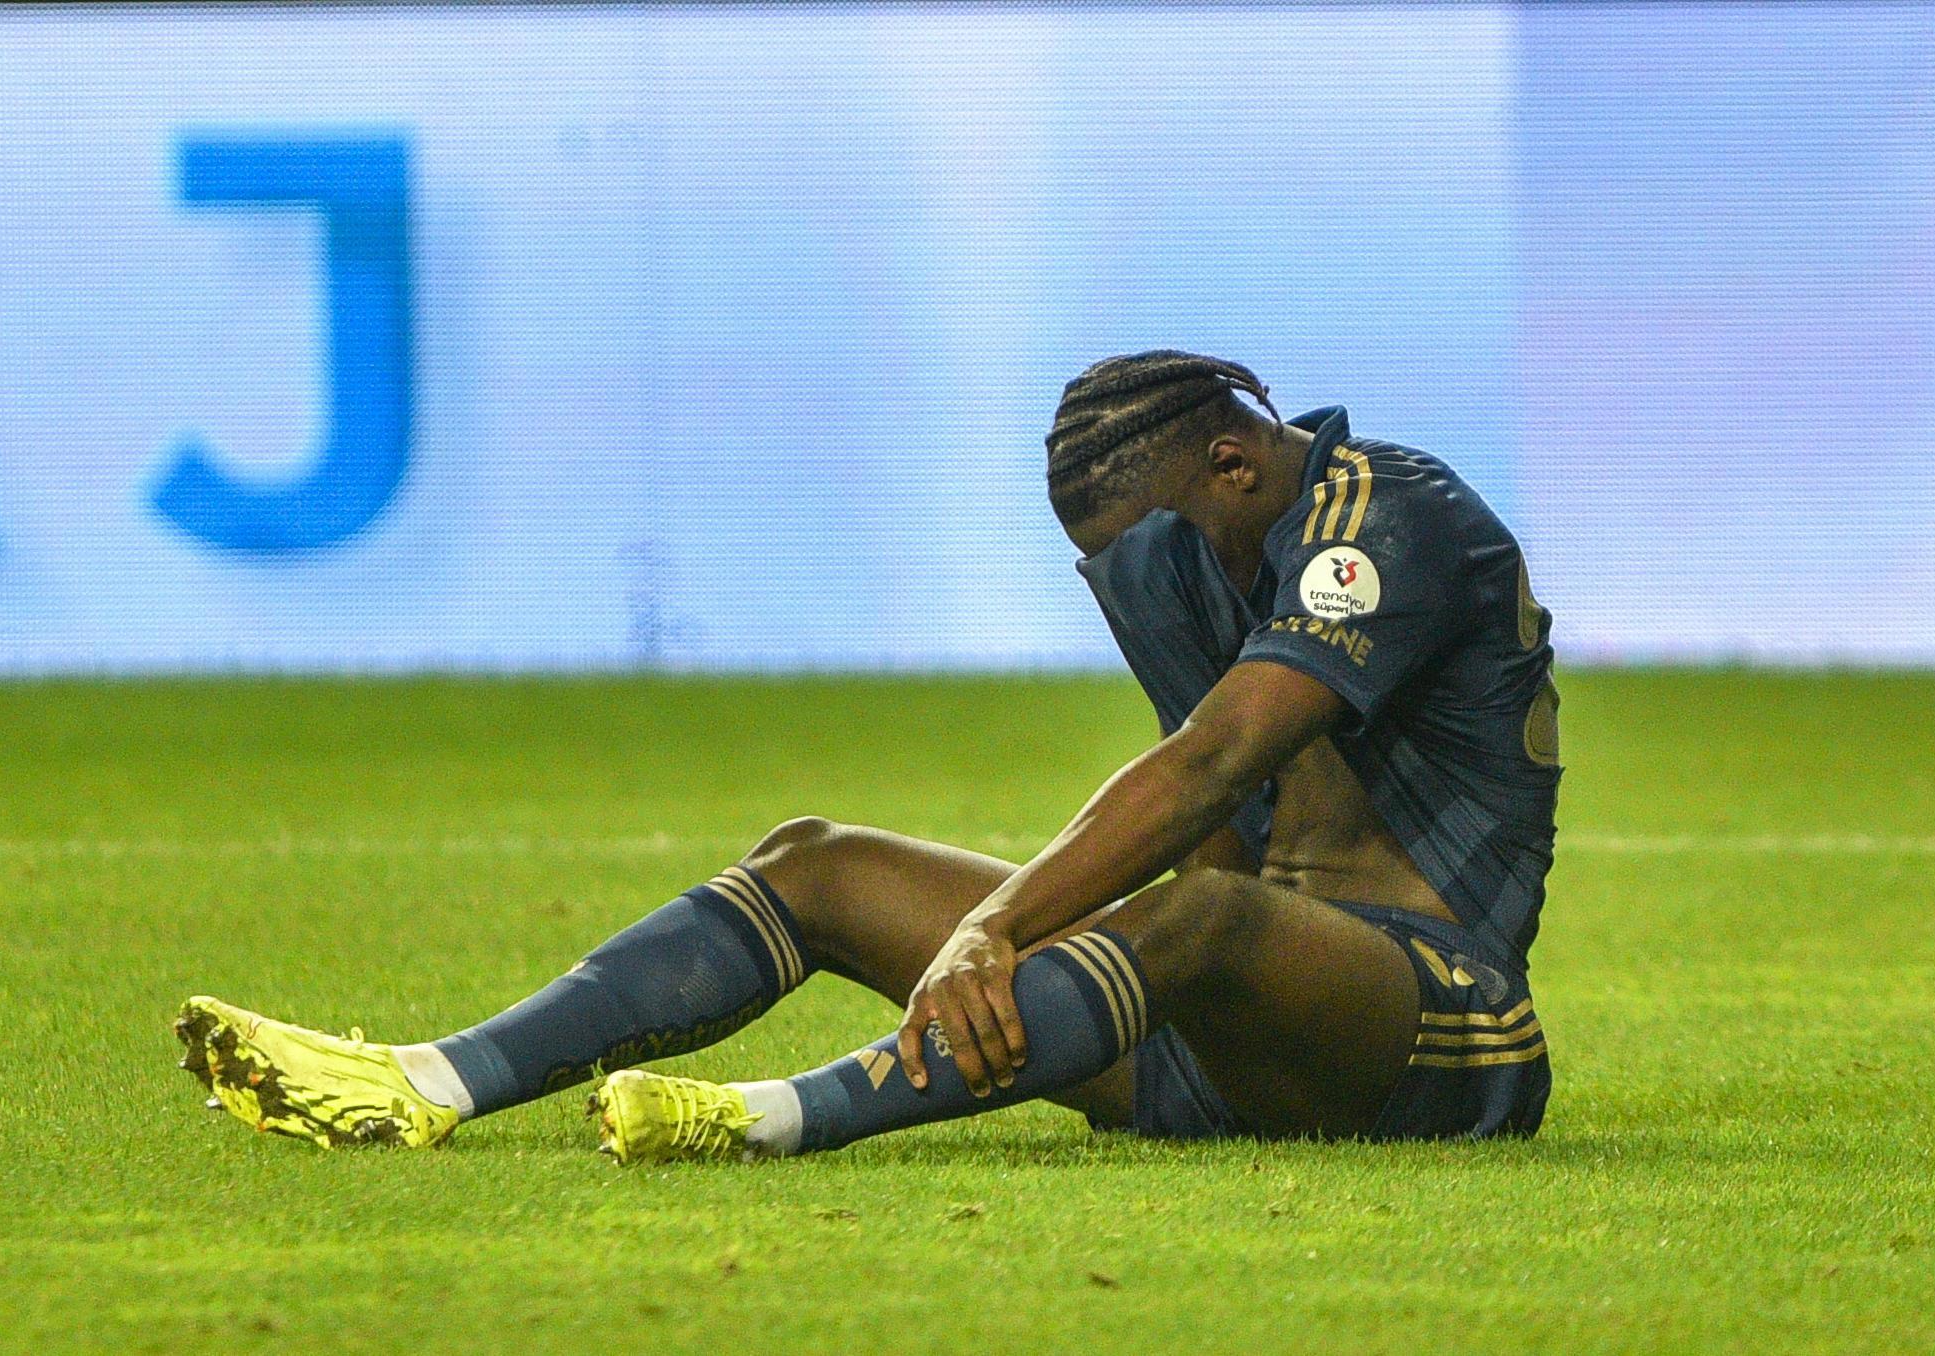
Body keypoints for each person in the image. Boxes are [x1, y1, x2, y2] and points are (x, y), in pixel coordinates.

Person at [176, 350, 1561, 1160]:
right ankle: (427, 1083)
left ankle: (763, 1119)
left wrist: (998, 928)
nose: (1128, 578)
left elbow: (1211, 763)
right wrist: (1056, 953)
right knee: (819, 864)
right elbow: (1212, 812)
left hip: (1438, 1031)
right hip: (1210, 1049)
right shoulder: (1190, 547)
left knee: (1198, 915)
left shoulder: (1385, 519)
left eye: (1135, 545)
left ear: (1236, 467)